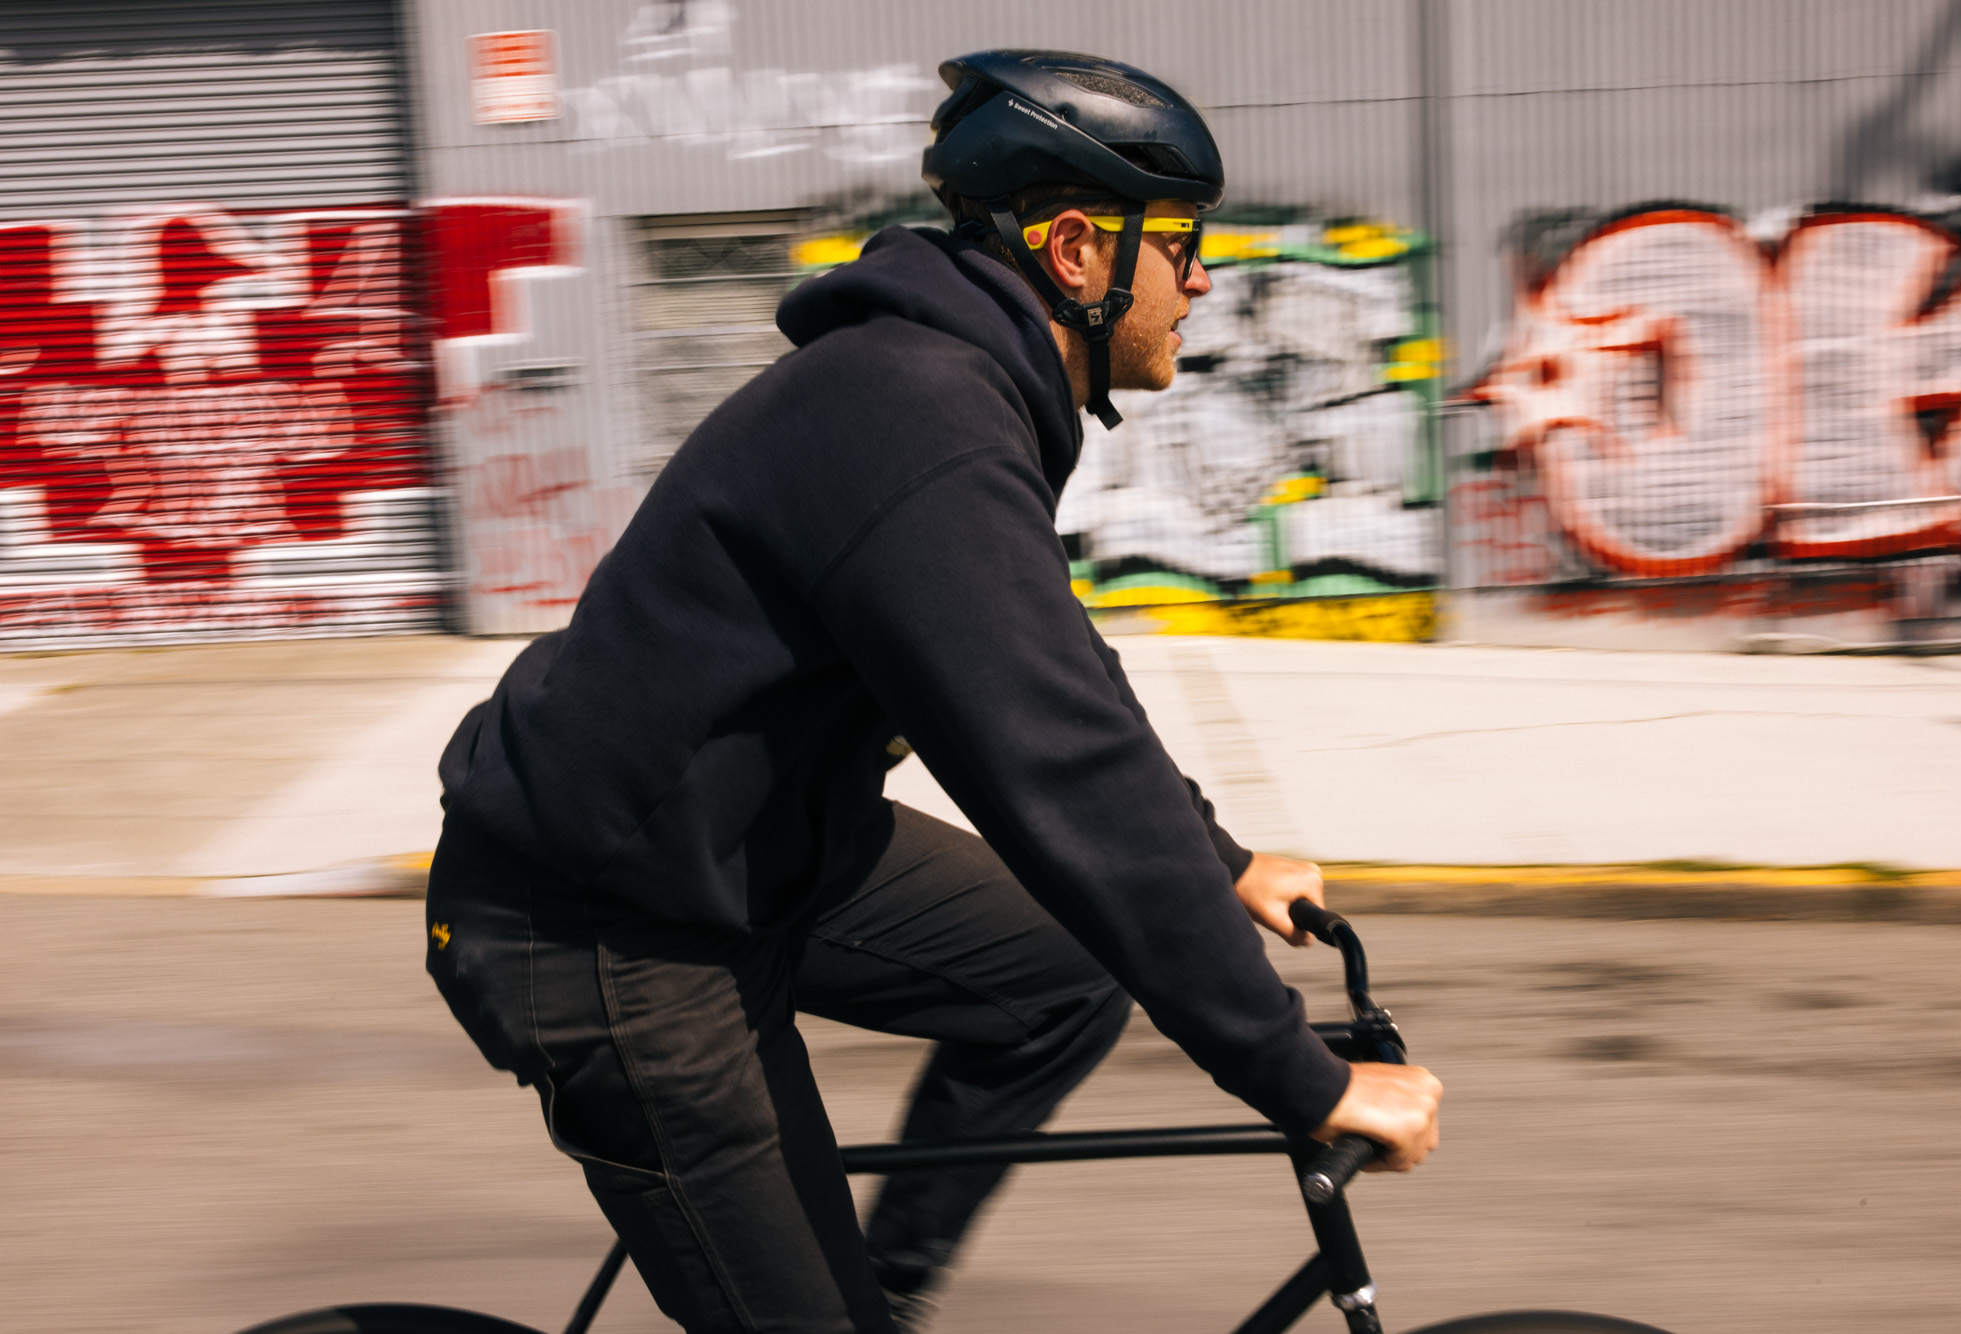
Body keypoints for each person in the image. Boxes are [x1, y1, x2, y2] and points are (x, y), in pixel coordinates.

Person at [424, 49, 1441, 1334]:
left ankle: (880, 1288)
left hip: (749, 859)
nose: (1202, 275)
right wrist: (1293, 1073)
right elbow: (1048, 762)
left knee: (1065, 974)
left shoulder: (956, 391)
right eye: (1180, 240)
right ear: (1074, 250)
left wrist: (1216, 855)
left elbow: (1054, 677)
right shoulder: (915, 415)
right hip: (598, 926)